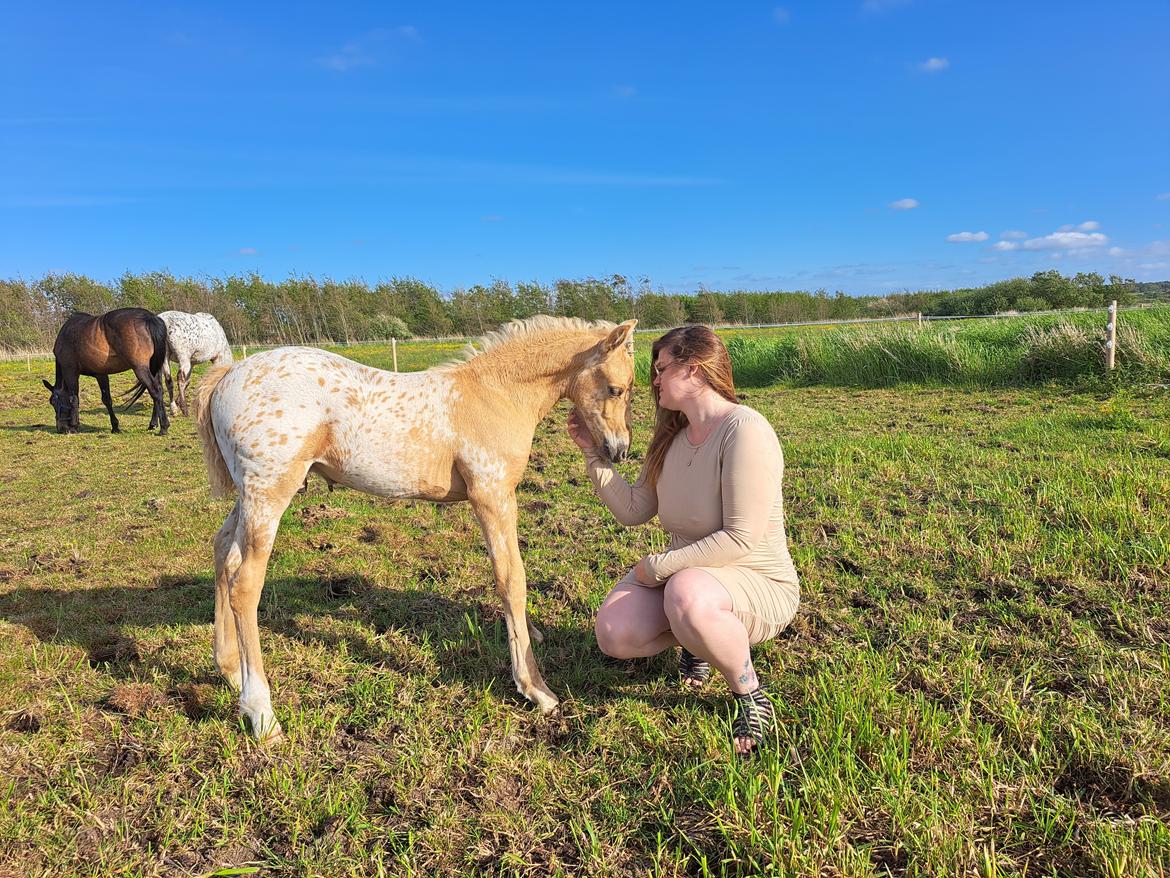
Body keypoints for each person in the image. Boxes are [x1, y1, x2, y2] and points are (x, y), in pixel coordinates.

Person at [567, 325, 800, 757]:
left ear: (693, 368)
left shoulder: (745, 430)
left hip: (756, 580)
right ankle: (698, 641)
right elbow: (635, 509)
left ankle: (750, 694)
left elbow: (740, 536)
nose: (653, 381)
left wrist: (655, 568)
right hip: (688, 580)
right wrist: (593, 456)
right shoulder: (671, 437)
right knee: (614, 635)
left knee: (686, 591)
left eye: (661, 369)